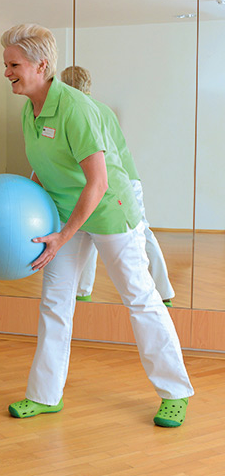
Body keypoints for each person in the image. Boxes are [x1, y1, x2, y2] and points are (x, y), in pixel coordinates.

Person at [0, 24, 193, 427]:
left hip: (107, 210)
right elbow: (42, 167)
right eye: (6, 65)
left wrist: (62, 237)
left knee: (140, 299)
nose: (7, 73)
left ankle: (175, 392)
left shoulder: (75, 109)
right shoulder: (28, 110)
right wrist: (28, 210)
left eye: (14, 65)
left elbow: (99, 182)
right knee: (55, 302)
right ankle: (45, 394)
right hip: (64, 214)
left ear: (42, 65)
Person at [60, 66, 174, 308]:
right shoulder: (96, 108)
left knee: (140, 232)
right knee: (86, 228)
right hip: (103, 179)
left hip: (121, 181)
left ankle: (162, 292)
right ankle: (82, 290)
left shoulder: (84, 110)